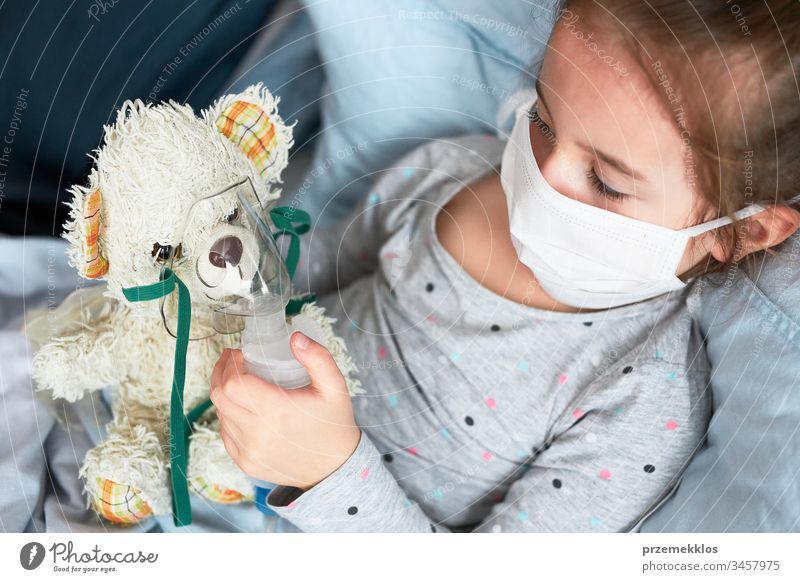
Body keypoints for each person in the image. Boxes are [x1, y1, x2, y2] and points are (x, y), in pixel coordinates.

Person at [209, 0, 800, 532]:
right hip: (202, 408)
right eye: (542, 122)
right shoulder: (455, 174)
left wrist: (326, 473)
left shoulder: (643, 391)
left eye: (606, 182)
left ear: (743, 231)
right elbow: (315, 274)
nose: (542, 175)